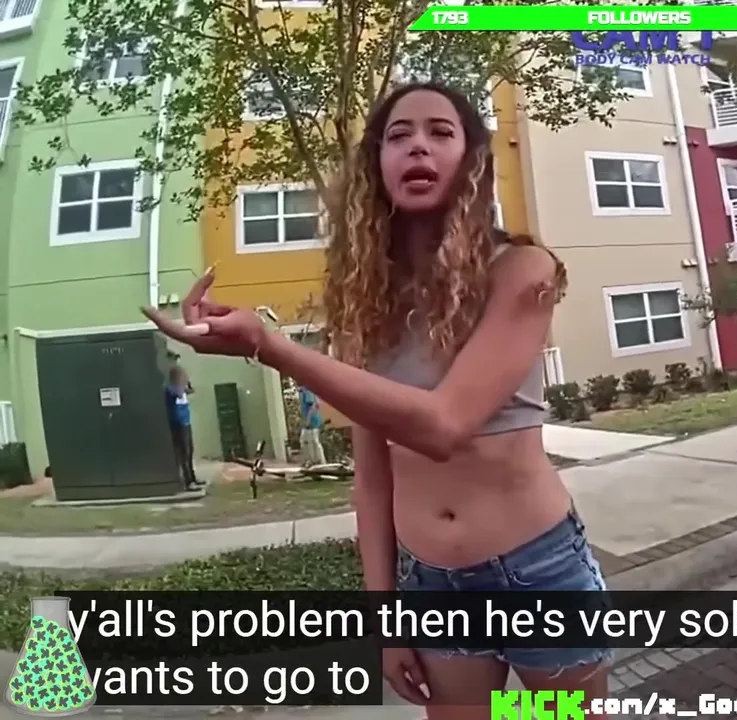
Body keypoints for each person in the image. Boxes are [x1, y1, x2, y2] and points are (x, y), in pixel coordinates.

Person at [141, 82, 605, 719]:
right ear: (377, 164)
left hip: (537, 566)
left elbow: (444, 425)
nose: (418, 145)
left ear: (471, 161)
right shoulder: (366, 300)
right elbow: (372, 478)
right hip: (432, 582)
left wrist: (269, 347)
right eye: (398, 135)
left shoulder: (523, 271)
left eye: (440, 132)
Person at [164, 365, 200, 491]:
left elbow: (191, 390)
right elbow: (179, 393)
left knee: (190, 452)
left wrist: (188, 382)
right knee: (184, 454)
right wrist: (183, 382)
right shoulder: (171, 389)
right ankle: (188, 481)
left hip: (186, 423)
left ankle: (193, 478)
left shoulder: (181, 389)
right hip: (178, 425)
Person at [297, 385, 326, 466]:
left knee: (313, 441)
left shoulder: (307, 390)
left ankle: (319, 461)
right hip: (310, 420)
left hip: (312, 421)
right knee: (306, 441)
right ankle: (312, 460)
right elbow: (317, 403)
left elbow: (312, 406)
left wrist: (308, 420)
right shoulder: (304, 390)